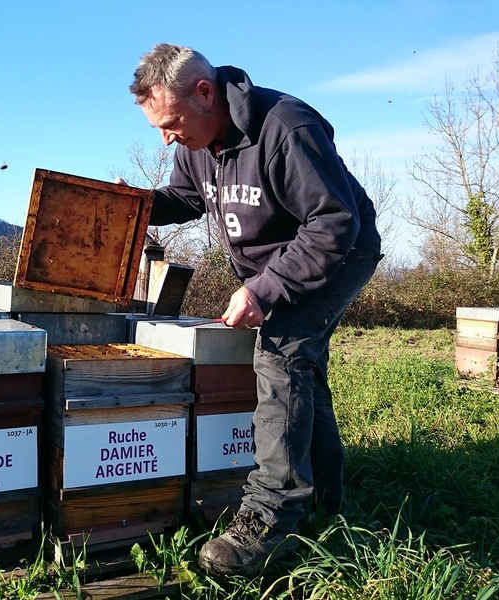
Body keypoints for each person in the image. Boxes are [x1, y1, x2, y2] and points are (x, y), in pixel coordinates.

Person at [127, 44, 382, 577]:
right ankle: (327, 498)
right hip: (287, 256)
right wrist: (136, 204)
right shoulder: (194, 143)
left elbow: (333, 223)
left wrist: (265, 290)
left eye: (170, 123)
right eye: (158, 128)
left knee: (282, 356)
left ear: (205, 92)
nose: (166, 137)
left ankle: (271, 518)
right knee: (304, 367)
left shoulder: (286, 126)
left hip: (337, 252)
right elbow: (186, 196)